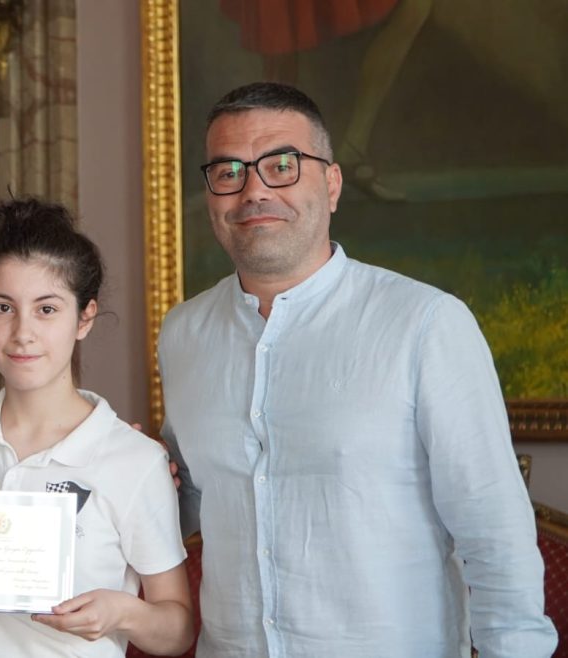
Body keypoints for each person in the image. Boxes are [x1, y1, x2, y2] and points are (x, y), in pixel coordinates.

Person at [159, 81, 557, 657]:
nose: (254, 190)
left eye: (282, 166)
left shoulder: (425, 323)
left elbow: (494, 530)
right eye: (229, 171)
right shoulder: (183, 333)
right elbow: (185, 496)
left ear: (332, 184)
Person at [0, 198, 195, 658]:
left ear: (84, 318)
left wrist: (121, 612)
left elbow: (178, 629)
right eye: (3, 307)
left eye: (47, 309)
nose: (22, 332)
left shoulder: (135, 460)